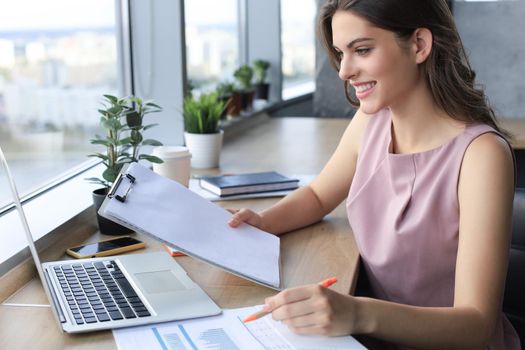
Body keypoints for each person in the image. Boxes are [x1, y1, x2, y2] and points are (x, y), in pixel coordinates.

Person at [227, 0, 521, 349]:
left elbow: (477, 325)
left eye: (362, 50)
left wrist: (357, 313)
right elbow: (319, 195)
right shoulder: (371, 121)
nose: (344, 71)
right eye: (340, 53)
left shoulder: (481, 155)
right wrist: (263, 223)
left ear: (419, 45)